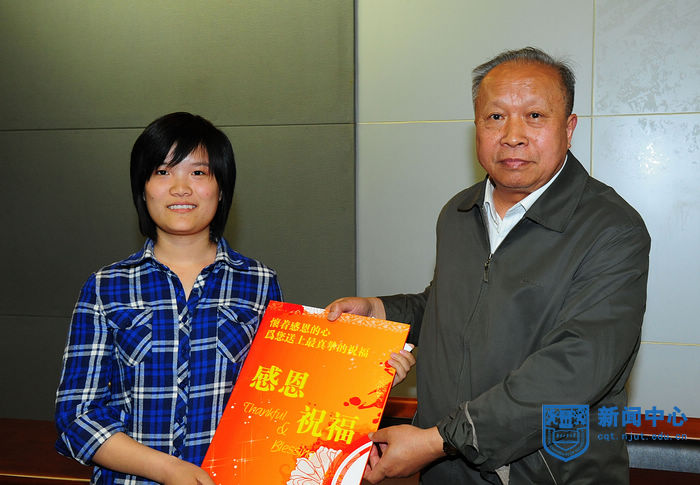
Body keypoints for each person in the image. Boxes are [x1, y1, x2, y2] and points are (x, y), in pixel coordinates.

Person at [327, 47, 650, 484]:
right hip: (446, 469)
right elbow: (454, 306)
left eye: (534, 116)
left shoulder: (611, 228)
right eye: (495, 117)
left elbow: (575, 368)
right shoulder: (458, 213)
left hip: (548, 473)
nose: (513, 135)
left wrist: (438, 440)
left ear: (569, 128)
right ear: (476, 126)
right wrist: (379, 310)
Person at [55, 112, 282, 485]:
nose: (180, 188)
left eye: (198, 172)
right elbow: (77, 417)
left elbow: (276, 404)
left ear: (221, 188)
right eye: (163, 172)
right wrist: (168, 469)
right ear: (142, 188)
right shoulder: (105, 286)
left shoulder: (260, 282)